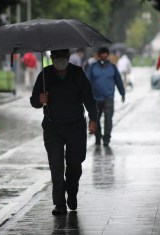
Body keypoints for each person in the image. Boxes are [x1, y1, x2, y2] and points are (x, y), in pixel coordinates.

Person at [30, 49, 98, 215]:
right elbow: (34, 101)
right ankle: (59, 203)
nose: (59, 60)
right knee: (56, 167)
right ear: (52, 58)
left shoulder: (77, 73)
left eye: (63, 56)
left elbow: (89, 97)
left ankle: (72, 191)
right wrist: (40, 100)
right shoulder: (45, 75)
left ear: (68, 57)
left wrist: (93, 119)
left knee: (75, 164)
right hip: (53, 127)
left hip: (76, 126)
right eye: (56, 57)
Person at [86, 47, 125, 146]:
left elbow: (118, 81)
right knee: (96, 119)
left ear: (108, 55)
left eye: (105, 54)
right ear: (98, 56)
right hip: (96, 98)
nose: (103, 56)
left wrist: (122, 93)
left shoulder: (112, 67)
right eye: (101, 54)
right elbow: (86, 81)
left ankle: (107, 138)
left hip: (109, 97)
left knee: (108, 118)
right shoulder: (92, 67)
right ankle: (98, 137)